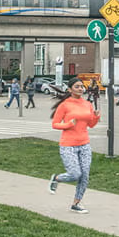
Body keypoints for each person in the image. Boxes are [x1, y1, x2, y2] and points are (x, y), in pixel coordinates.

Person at [48, 77, 100, 214]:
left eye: (82, 86)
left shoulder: (87, 104)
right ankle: (57, 178)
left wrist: (96, 117)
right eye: (77, 87)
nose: (80, 89)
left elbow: (91, 125)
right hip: (68, 145)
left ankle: (76, 203)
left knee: (85, 176)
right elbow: (55, 124)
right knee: (75, 174)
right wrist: (69, 124)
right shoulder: (65, 105)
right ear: (70, 89)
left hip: (84, 144)